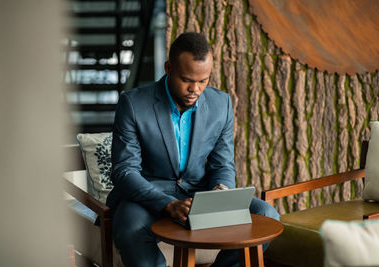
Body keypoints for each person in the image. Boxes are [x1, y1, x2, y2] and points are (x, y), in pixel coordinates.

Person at [106, 32, 280, 267]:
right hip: (146, 196)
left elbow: (222, 164)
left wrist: (221, 189)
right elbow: (125, 171)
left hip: (200, 193)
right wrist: (167, 204)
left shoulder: (221, 104)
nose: (195, 89)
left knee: (267, 215)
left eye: (203, 80)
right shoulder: (134, 104)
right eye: (187, 79)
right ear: (168, 68)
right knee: (130, 230)